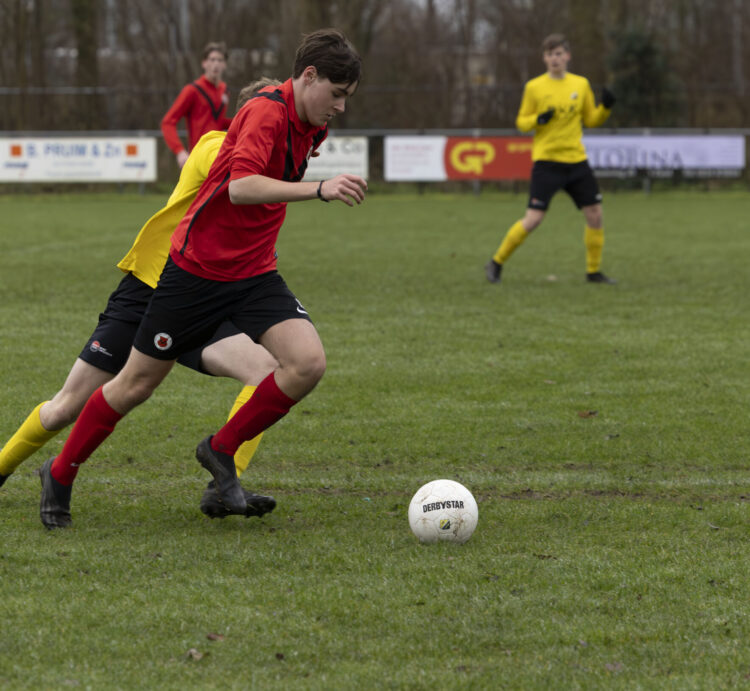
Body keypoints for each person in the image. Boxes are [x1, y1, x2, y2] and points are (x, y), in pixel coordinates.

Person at [39, 29, 366, 529]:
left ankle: (220, 450)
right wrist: (317, 188)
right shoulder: (265, 110)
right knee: (134, 385)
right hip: (196, 273)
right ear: (308, 77)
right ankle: (59, 474)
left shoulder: (311, 126)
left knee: (306, 363)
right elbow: (241, 188)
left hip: (255, 273)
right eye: (337, 95)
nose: (340, 108)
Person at [1, 79, 282, 521]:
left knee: (266, 369)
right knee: (65, 408)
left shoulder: (268, 159)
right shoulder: (216, 147)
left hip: (199, 296)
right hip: (148, 291)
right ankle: (6, 467)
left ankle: (222, 485)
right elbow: (240, 181)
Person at [485, 33, 617, 285]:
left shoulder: (581, 84)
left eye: (558, 54)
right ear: (543, 59)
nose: (554, 59)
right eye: (549, 54)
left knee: (595, 215)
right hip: (547, 163)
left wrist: (606, 108)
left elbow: (591, 120)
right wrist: (537, 120)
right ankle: (496, 262)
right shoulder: (534, 87)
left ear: (567, 56)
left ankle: (594, 272)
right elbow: (521, 123)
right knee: (533, 219)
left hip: (576, 162)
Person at [161, 42, 233, 169]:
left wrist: (242, 121)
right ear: (204, 63)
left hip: (218, 155)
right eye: (212, 59)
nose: (215, 64)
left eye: (220, 60)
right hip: (197, 156)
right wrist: (180, 151)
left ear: (224, 65)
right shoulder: (192, 90)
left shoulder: (224, 90)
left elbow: (217, 122)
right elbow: (168, 122)